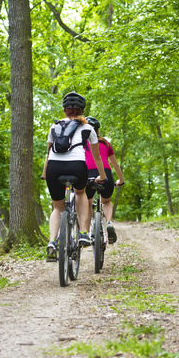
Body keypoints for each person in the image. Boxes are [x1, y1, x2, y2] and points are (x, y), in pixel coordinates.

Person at [42, 93, 107, 261]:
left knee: (57, 207)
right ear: (82, 111)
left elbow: (48, 154)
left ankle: (52, 241)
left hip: (54, 168)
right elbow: (97, 156)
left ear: (64, 110)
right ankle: (84, 233)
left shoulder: (54, 127)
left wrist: (44, 173)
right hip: (77, 166)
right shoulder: (88, 128)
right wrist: (102, 175)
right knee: (80, 193)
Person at [85, 116, 125, 244]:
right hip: (106, 173)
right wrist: (121, 180)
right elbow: (115, 165)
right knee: (106, 201)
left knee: (88, 203)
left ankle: (88, 231)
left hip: (87, 173)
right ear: (97, 131)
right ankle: (108, 222)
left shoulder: (80, 142)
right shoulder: (105, 143)